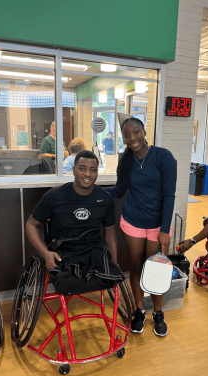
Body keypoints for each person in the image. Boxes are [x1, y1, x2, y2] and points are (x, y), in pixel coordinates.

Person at [105, 117, 177, 337]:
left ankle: (157, 312)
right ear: (124, 139)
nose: (132, 138)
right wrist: (91, 190)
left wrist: (165, 229)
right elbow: (119, 191)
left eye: (136, 132)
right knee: (136, 267)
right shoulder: (125, 160)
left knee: (155, 269)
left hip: (158, 226)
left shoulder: (163, 157)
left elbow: (169, 195)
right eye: (127, 135)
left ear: (144, 132)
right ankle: (138, 310)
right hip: (133, 221)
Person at [25, 150, 124, 294]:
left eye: (93, 170)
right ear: (73, 170)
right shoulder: (54, 196)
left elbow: (110, 233)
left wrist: (114, 262)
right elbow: (31, 225)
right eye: (82, 169)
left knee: (112, 276)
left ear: (97, 172)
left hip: (93, 250)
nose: (87, 174)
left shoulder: (105, 199)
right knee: (67, 284)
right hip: (63, 249)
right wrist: (45, 253)